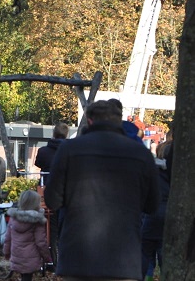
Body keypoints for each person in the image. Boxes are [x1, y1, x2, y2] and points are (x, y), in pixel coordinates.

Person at [44, 99, 160, 280]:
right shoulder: (140, 154)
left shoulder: (69, 149)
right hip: (123, 258)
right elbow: (152, 205)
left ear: (89, 121)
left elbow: (52, 200)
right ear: (119, 121)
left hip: (78, 256)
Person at [33, 121, 68, 266]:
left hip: (47, 191)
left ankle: (53, 260)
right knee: (65, 227)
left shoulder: (43, 151)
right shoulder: (69, 151)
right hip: (66, 193)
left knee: (50, 229)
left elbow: (38, 163)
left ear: (53, 134)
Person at [3, 189, 52, 281]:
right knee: (27, 277)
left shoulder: (14, 217)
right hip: (31, 256)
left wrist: (6, 252)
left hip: (17, 254)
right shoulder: (37, 220)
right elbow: (40, 242)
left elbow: (8, 238)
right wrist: (47, 257)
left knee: (24, 277)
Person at [141, 143, 172, 281]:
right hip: (167, 216)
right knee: (164, 255)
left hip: (150, 217)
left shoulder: (151, 171)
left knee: (146, 255)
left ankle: (147, 277)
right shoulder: (175, 175)